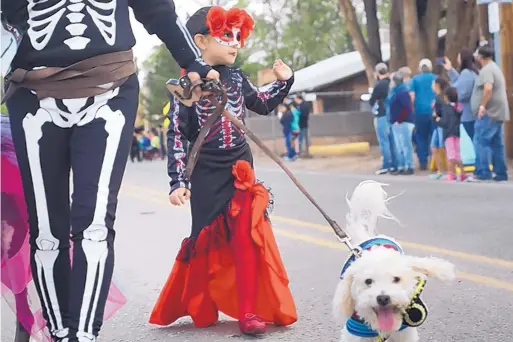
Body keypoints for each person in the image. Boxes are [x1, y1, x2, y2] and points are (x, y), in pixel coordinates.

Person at [1, 1, 219, 341]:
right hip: (32, 96)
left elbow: (157, 10)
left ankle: (83, 335)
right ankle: (60, 333)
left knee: (94, 222)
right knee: (46, 227)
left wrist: (193, 63)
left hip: (109, 92)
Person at [149, 6, 297, 337]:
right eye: (225, 36)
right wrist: (177, 181)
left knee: (246, 236)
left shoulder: (238, 77)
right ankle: (202, 303)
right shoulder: (185, 83)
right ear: (200, 41)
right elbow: (176, 132)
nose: (235, 43)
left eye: (237, 36)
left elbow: (261, 102)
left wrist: (285, 82)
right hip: (205, 170)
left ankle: (249, 311)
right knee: (205, 239)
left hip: (240, 167)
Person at [470, 45, 509, 182]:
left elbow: (488, 88)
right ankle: (500, 173)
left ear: (480, 57)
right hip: (499, 112)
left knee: (481, 141)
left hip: (490, 112)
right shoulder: (495, 67)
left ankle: (482, 172)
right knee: (497, 143)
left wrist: (482, 105)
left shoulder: (487, 70)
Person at [433, 87, 469, 181]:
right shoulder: (458, 107)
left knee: (450, 155)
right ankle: (462, 173)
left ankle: (451, 174)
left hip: (448, 134)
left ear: (446, 97)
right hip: (456, 133)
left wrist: (437, 119)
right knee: (457, 154)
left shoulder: (446, 108)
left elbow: (445, 122)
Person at [443, 48, 478, 140]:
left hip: (468, 115)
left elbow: (462, 93)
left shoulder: (466, 73)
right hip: (472, 113)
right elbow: (460, 82)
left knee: (471, 141)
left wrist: (452, 91)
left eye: (459, 57)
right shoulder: (472, 72)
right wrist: (450, 70)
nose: (457, 59)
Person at [410, 58, 437, 170]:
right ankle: (435, 162)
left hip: (420, 111)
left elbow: (412, 95)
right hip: (434, 111)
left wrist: (413, 108)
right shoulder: (435, 78)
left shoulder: (415, 79)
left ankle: (423, 162)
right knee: (434, 136)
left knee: (421, 137)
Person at [369, 63, 396, 175]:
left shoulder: (379, 85)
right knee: (393, 141)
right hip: (393, 115)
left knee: (384, 141)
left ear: (378, 73)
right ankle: (395, 164)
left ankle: (386, 165)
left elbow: (372, 100)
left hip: (382, 114)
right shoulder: (392, 83)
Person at [389, 72, 415, 175]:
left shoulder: (401, 92)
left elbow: (406, 107)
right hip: (398, 121)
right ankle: (402, 166)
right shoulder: (397, 91)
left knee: (405, 145)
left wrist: (399, 119)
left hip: (402, 122)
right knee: (400, 145)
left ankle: (409, 166)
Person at [429, 77, 450, 179]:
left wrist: (436, 115)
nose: (431, 86)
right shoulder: (437, 97)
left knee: (443, 147)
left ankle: (448, 171)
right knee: (434, 147)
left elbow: (442, 111)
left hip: (441, 125)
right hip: (437, 126)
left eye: (433, 84)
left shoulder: (441, 98)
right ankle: (440, 170)